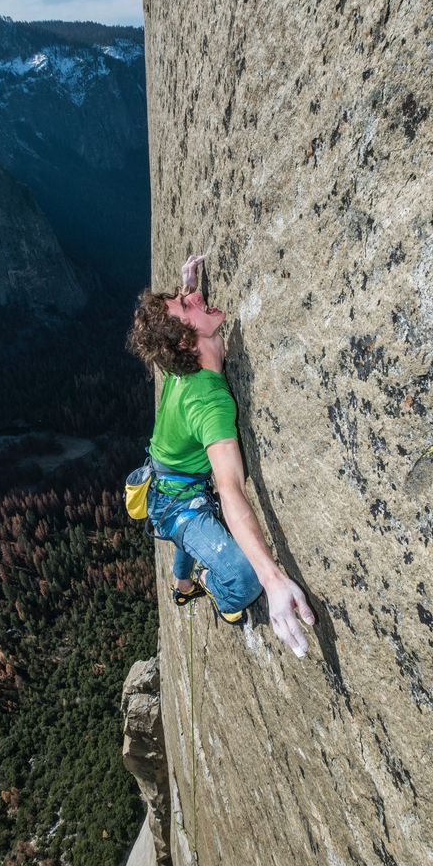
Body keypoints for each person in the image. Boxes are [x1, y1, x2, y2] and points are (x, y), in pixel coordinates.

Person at [126, 253, 315, 659]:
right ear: (184, 342)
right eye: (186, 306)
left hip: (170, 480)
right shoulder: (209, 403)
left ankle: (181, 587)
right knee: (242, 579)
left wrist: (186, 288)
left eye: (186, 298)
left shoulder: (179, 360)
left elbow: (180, 321)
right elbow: (230, 492)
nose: (194, 299)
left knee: (188, 533)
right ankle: (216, 591)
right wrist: (272, 579)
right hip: (176, 501)